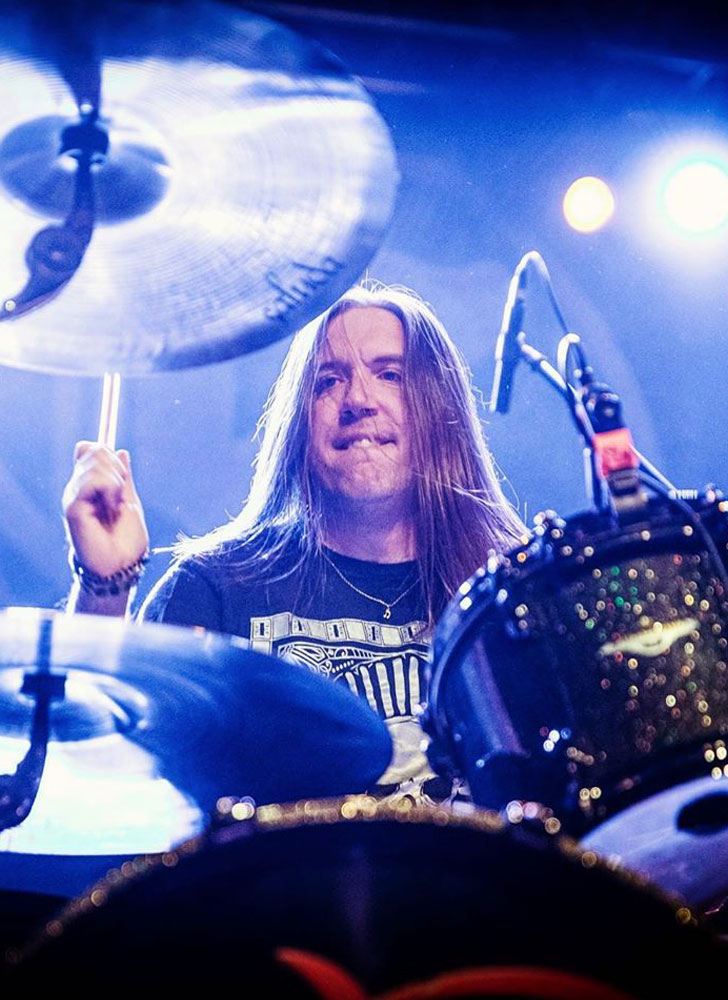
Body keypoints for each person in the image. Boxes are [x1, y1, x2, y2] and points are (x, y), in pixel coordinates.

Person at [63, 282, 525, 803]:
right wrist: (104, 586)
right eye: (329, 381)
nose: (358, 400)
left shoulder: (511, 599)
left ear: (440, 409)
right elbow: (103, 780)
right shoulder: (215, 586)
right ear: (299, 422)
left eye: (390, 375)